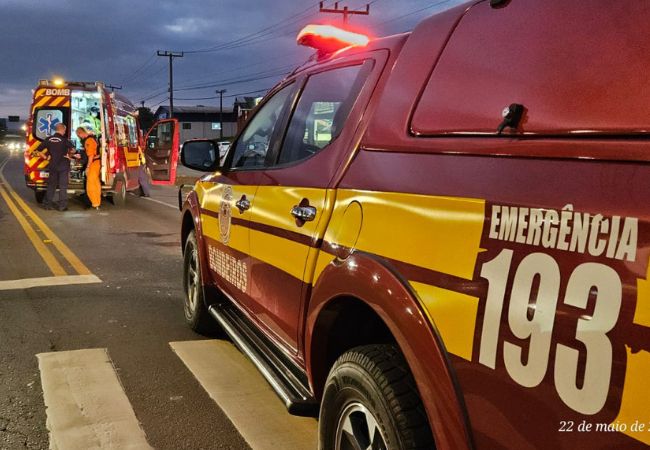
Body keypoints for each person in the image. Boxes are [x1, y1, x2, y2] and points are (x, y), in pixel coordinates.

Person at [32, 123, 75, 211]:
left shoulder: (48, 139)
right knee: (63, 187)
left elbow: (36, 151)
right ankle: (62, 206)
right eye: (64, 130)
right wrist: (70, 155)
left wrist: (45, 157)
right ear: (63, 130)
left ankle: (47, 205)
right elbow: (73, 150)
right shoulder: (64, 140)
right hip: (63, 166)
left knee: (51, 185)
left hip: (52, 165)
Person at [75, 127, 101, 210]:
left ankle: (95, 202)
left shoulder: (88, 141)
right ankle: (97, 202)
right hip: (96, 163)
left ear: (80, 133)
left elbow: (91, 155)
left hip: (93, 163)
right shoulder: (93, 138)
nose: (79, 137)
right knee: (96, 183)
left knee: (91, 184)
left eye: (78, 135)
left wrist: (88, 167)